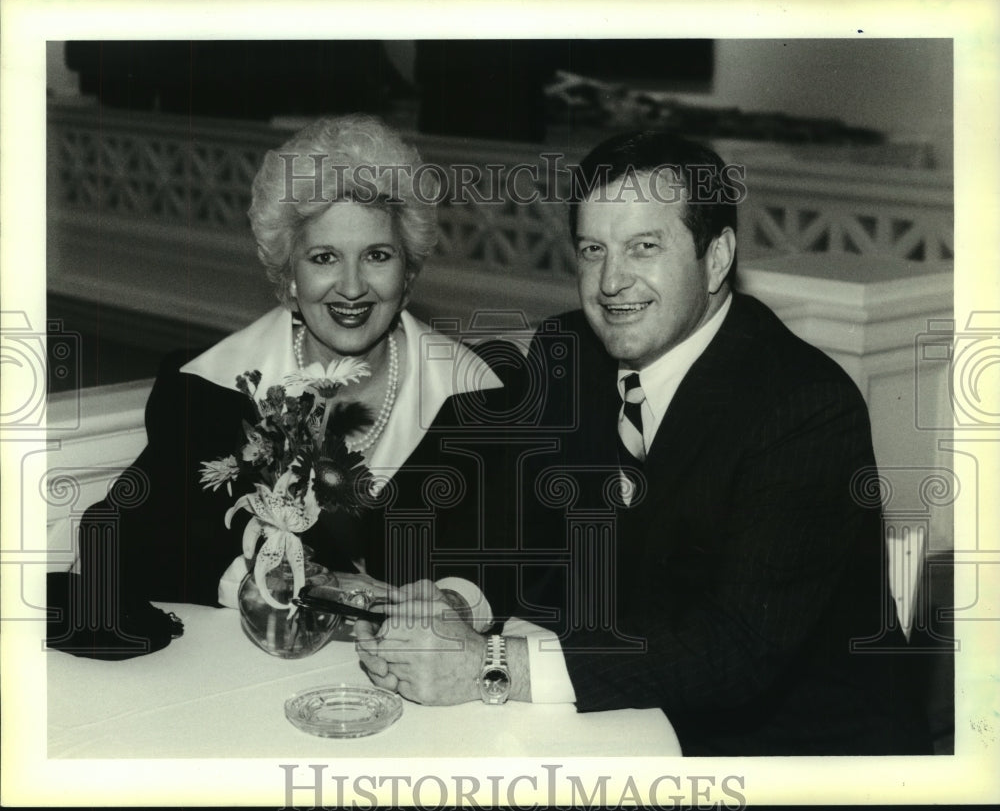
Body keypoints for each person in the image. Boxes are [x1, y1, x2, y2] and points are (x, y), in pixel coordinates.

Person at [356, 130, 933, 756]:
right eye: (593, 250)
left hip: (791, 755)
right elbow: (513, 533)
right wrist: (455, 600)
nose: (611, 282)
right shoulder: (568, 353)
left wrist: (491, 665)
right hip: (622, 722)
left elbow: (734, 648)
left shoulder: (805, 408)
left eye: (644, 248)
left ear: (716, 259)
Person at [47, 114, 522, 658]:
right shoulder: (207, 390)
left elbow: (524, 555)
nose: (350, 287)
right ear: (289, 278)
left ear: (408, 276)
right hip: (246, 682)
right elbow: (118, 536)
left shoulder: (482, 396)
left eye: (377, 256)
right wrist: (273, 585)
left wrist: (454, 605)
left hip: (423, 681)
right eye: (324, 258)